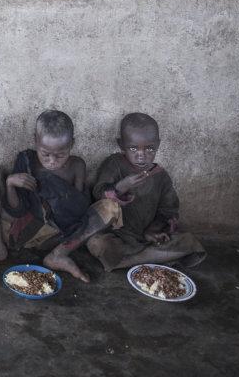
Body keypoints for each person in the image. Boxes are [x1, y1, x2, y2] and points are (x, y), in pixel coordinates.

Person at [0, 110, 123, 283]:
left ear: (72, 144)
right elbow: (17, 210)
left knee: (110, 207)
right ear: (36, 140)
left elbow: (79, 208)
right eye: (45, 154)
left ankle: (59, 255)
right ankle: (58, 253)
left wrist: (59, 200)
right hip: (30, 234)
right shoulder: (27, 162)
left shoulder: (77, 165)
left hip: (62, 236)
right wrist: (10, 184)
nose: (52, 160)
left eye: (61, 154)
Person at [87, 113, 205, 271]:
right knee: (96, 243)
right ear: (121, 144)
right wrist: (121, 186)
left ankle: (127, 262)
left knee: (189, 242)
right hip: (117, 236)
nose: (141, 155)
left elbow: (169, 209)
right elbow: (98, 194)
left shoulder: (161, 176)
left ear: (158, 145)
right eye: (133, 148)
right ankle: (150, 259)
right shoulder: (114, 164)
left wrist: (153, 230)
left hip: (149, 237)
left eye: (149, 148)